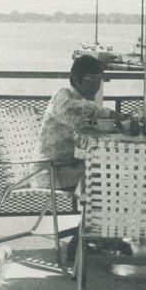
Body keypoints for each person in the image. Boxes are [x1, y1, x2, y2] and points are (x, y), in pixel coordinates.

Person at [40, 54, 113, 190]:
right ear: (75, 79)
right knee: (108, 176)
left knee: (108, 171)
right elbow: (76, 109)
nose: (96, 86)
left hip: (67, 165)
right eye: (92, 80)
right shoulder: (62, 96)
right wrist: (108, 113)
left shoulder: (81, 102)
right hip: (50, 171)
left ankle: (98, 209)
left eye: (99, 80)